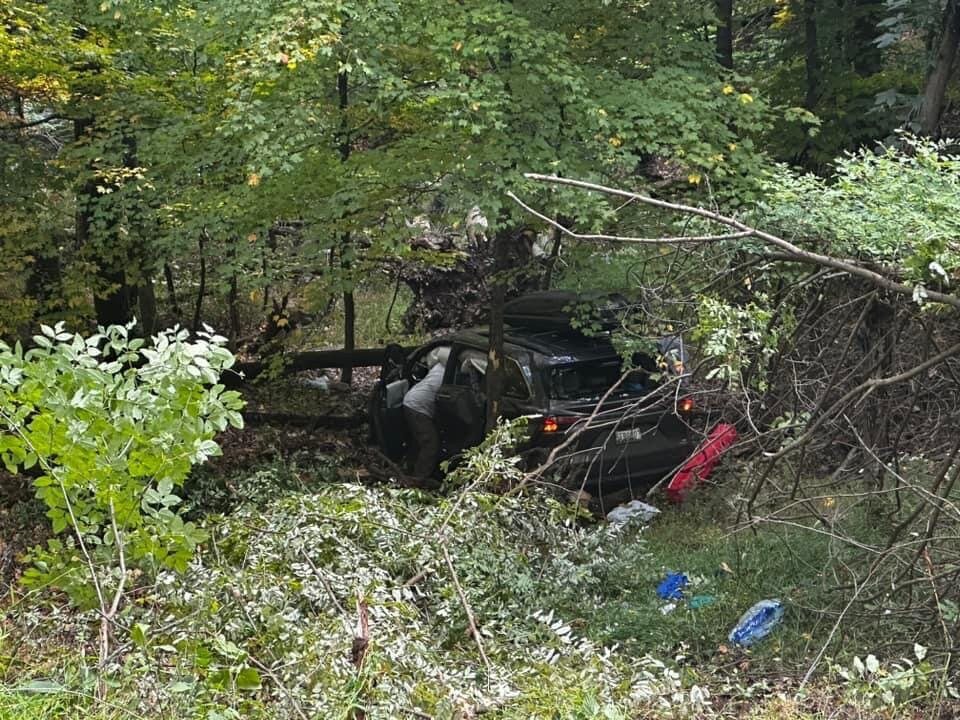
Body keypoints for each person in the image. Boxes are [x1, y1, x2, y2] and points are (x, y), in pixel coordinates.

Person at [402, 346, 449, 478]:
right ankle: (418, 480)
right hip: (418, 407)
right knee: (430, 444)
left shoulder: (440, 365)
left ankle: (410, 468)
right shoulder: (452, 370)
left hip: (412, 401)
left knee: (418, 441)